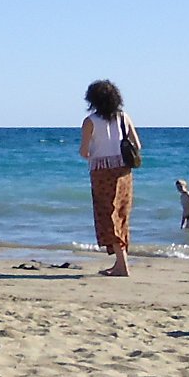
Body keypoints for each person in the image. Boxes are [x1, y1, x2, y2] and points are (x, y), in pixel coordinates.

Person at [79, 80, 139, 277]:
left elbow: (84, 152)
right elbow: (137, 145)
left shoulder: (90, 121)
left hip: (102, 172)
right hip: (124, 171)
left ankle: (122, 265)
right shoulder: (124, 117)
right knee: (121, 214)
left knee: (107, 215)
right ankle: (120, 262)